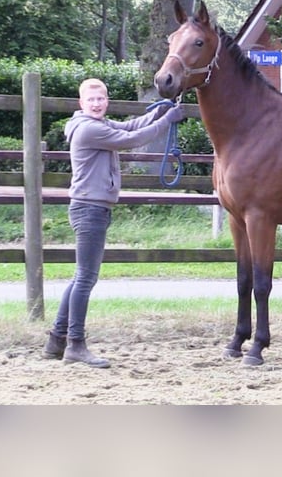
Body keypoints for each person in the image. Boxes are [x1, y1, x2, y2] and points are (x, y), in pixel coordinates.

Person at [42, 78, 184, 368]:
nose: (97, 104)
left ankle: (57, 339)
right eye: (91, 100)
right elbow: (132, 141)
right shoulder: (90, 129)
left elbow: (129, 127)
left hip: (93, 207)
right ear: (81, 103)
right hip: (90, 209)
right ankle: (76, 345)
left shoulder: (97, 124)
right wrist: (167, 120)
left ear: (106, 100)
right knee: (85, 279)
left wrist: (156, 113)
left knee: (81, 277)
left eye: (101, 99)